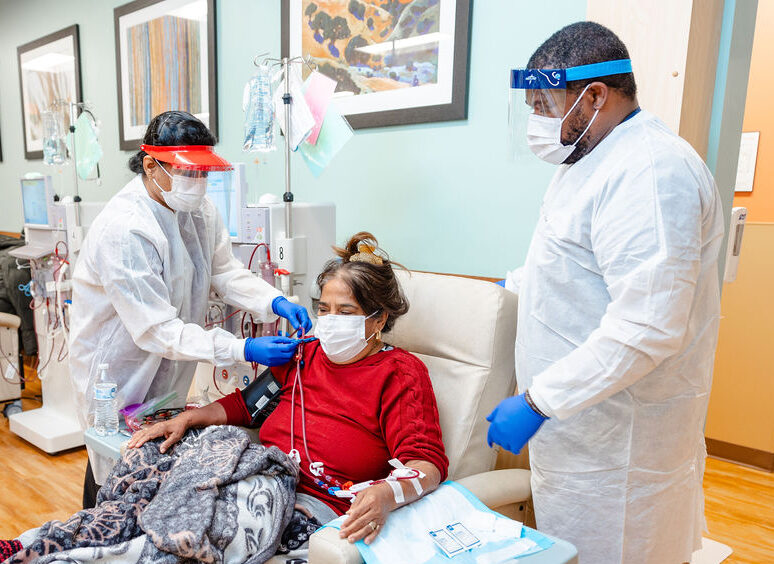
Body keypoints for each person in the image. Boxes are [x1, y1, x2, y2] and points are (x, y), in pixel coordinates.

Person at [487, 22, 724, 564]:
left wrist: (537, 401)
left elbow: (648, 325)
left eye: (545, 103)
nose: (537, 122)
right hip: (580, 437)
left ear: (594, 95)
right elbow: (574, 264)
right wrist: (514, 285)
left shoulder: (651, 170)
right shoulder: (590, 160)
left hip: (622, 449)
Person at [128, 232, 448, 553]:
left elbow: (426, 464)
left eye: (346, 312)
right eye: (324, 309)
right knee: (146, 466)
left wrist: (386, 495)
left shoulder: (399, 373)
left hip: (309, 502)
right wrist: (188, 418)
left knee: (186, 533)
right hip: (256, 473)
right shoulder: (304, 353)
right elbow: (247, 405)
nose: (331, 321)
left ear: (379, 319)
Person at [69, 111, 312, 509]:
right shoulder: (125, 228)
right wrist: (242, 350)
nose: (198, 184)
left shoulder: (198, 212)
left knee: (155, 455)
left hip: (168, 367)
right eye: (188, 172)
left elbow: (224, 271)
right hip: (116, 370)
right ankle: (97, 533)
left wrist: (274, 301)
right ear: (151, 165)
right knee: (113, 464)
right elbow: (156, 331)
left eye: (203, 173)